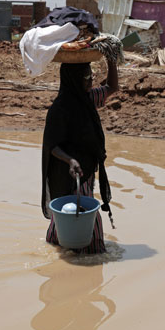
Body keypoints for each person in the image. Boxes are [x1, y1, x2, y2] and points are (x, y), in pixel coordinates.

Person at [41, 58, 118, 254]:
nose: (91, 81)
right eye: (86, 77)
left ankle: (58, 245)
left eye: (91, 76)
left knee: (68, 212)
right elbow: (52, 145)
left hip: (85, 166)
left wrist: (111, 60)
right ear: (73, 79)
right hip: (68, 170)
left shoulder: (88, 99)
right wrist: (70, 160)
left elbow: (112, 87)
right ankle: (94, 251)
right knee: (82, 210)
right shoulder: (60, 108)